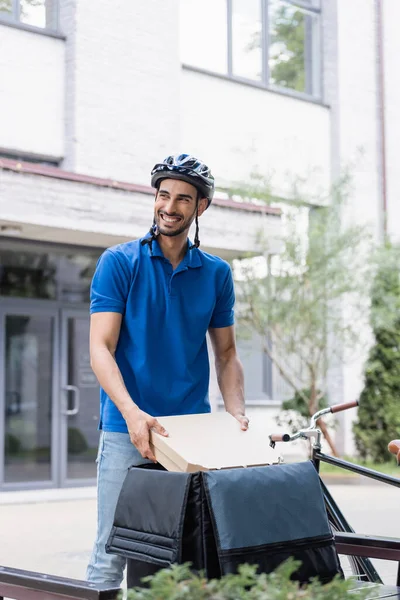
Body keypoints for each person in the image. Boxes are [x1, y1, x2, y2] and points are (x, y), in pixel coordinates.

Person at [86, 153, 248, 585]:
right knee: (111, 551)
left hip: (190, 433)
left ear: (201, 207)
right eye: (163, 195)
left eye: (182, 199)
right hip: (126, 430)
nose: (169, 207)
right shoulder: (119, 263)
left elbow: (228, 354)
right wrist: (132, 412)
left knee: (181, 554)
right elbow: (100, 348)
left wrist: (235, 413)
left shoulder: (216, 274)